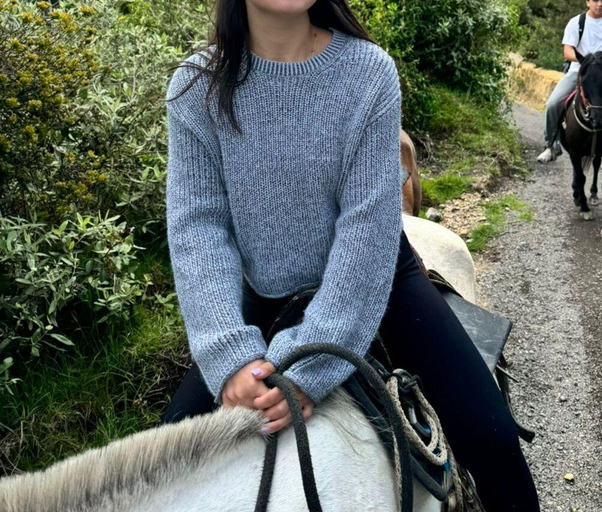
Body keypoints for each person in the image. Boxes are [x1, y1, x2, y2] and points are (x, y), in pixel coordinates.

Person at [160, 1, 540, 510]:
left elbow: (366, 228)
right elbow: (199, 227)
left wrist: (310, 365)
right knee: (165, 468)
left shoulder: (369, 73)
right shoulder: (195, 87)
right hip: (263, 293)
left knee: (493, 443)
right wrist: (228, 358)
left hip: (383, 281)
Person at [536, 0, 602, 171]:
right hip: (579, 71)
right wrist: (587, 62)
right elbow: (567, 50)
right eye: (595, 0)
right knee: (553, 104)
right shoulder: (576, 22)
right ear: (587, 2)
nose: (599, 4)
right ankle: (551, 144)